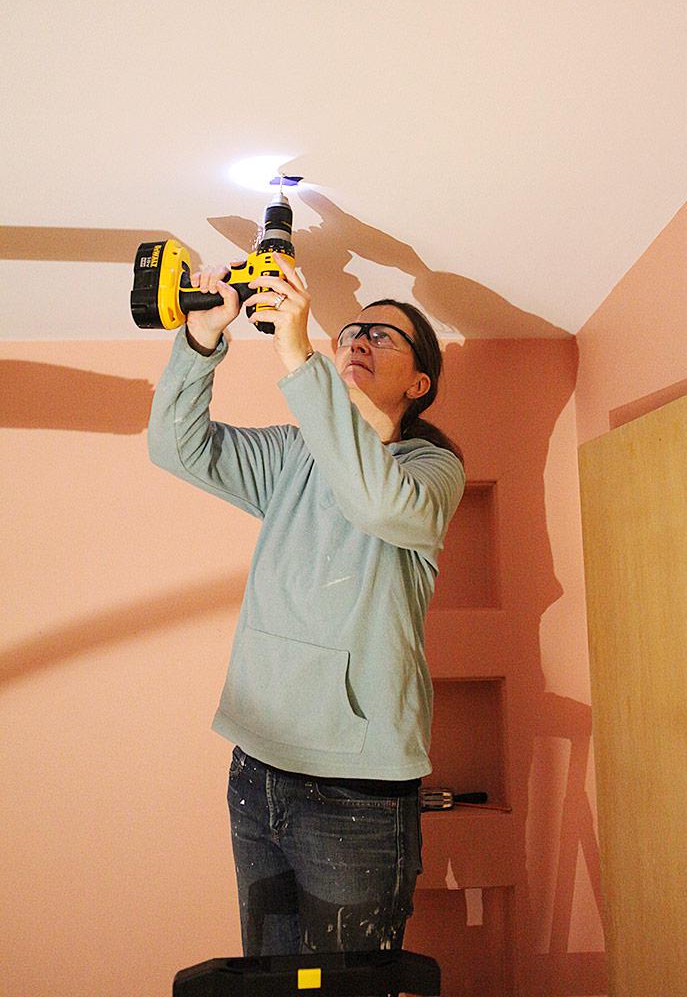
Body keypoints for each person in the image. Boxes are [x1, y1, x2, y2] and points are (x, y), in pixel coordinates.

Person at [147, 253, 465, 965]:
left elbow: (375, 501)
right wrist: (202, 342)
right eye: (350, 329)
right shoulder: (294, 456)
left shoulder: (430, 472)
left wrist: (297, 355)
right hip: (256, 760)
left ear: (420, 383)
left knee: (345, 985)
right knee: (270, 976)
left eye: (382, 336)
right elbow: (176, 447)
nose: (358, 338)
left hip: (357, 789)